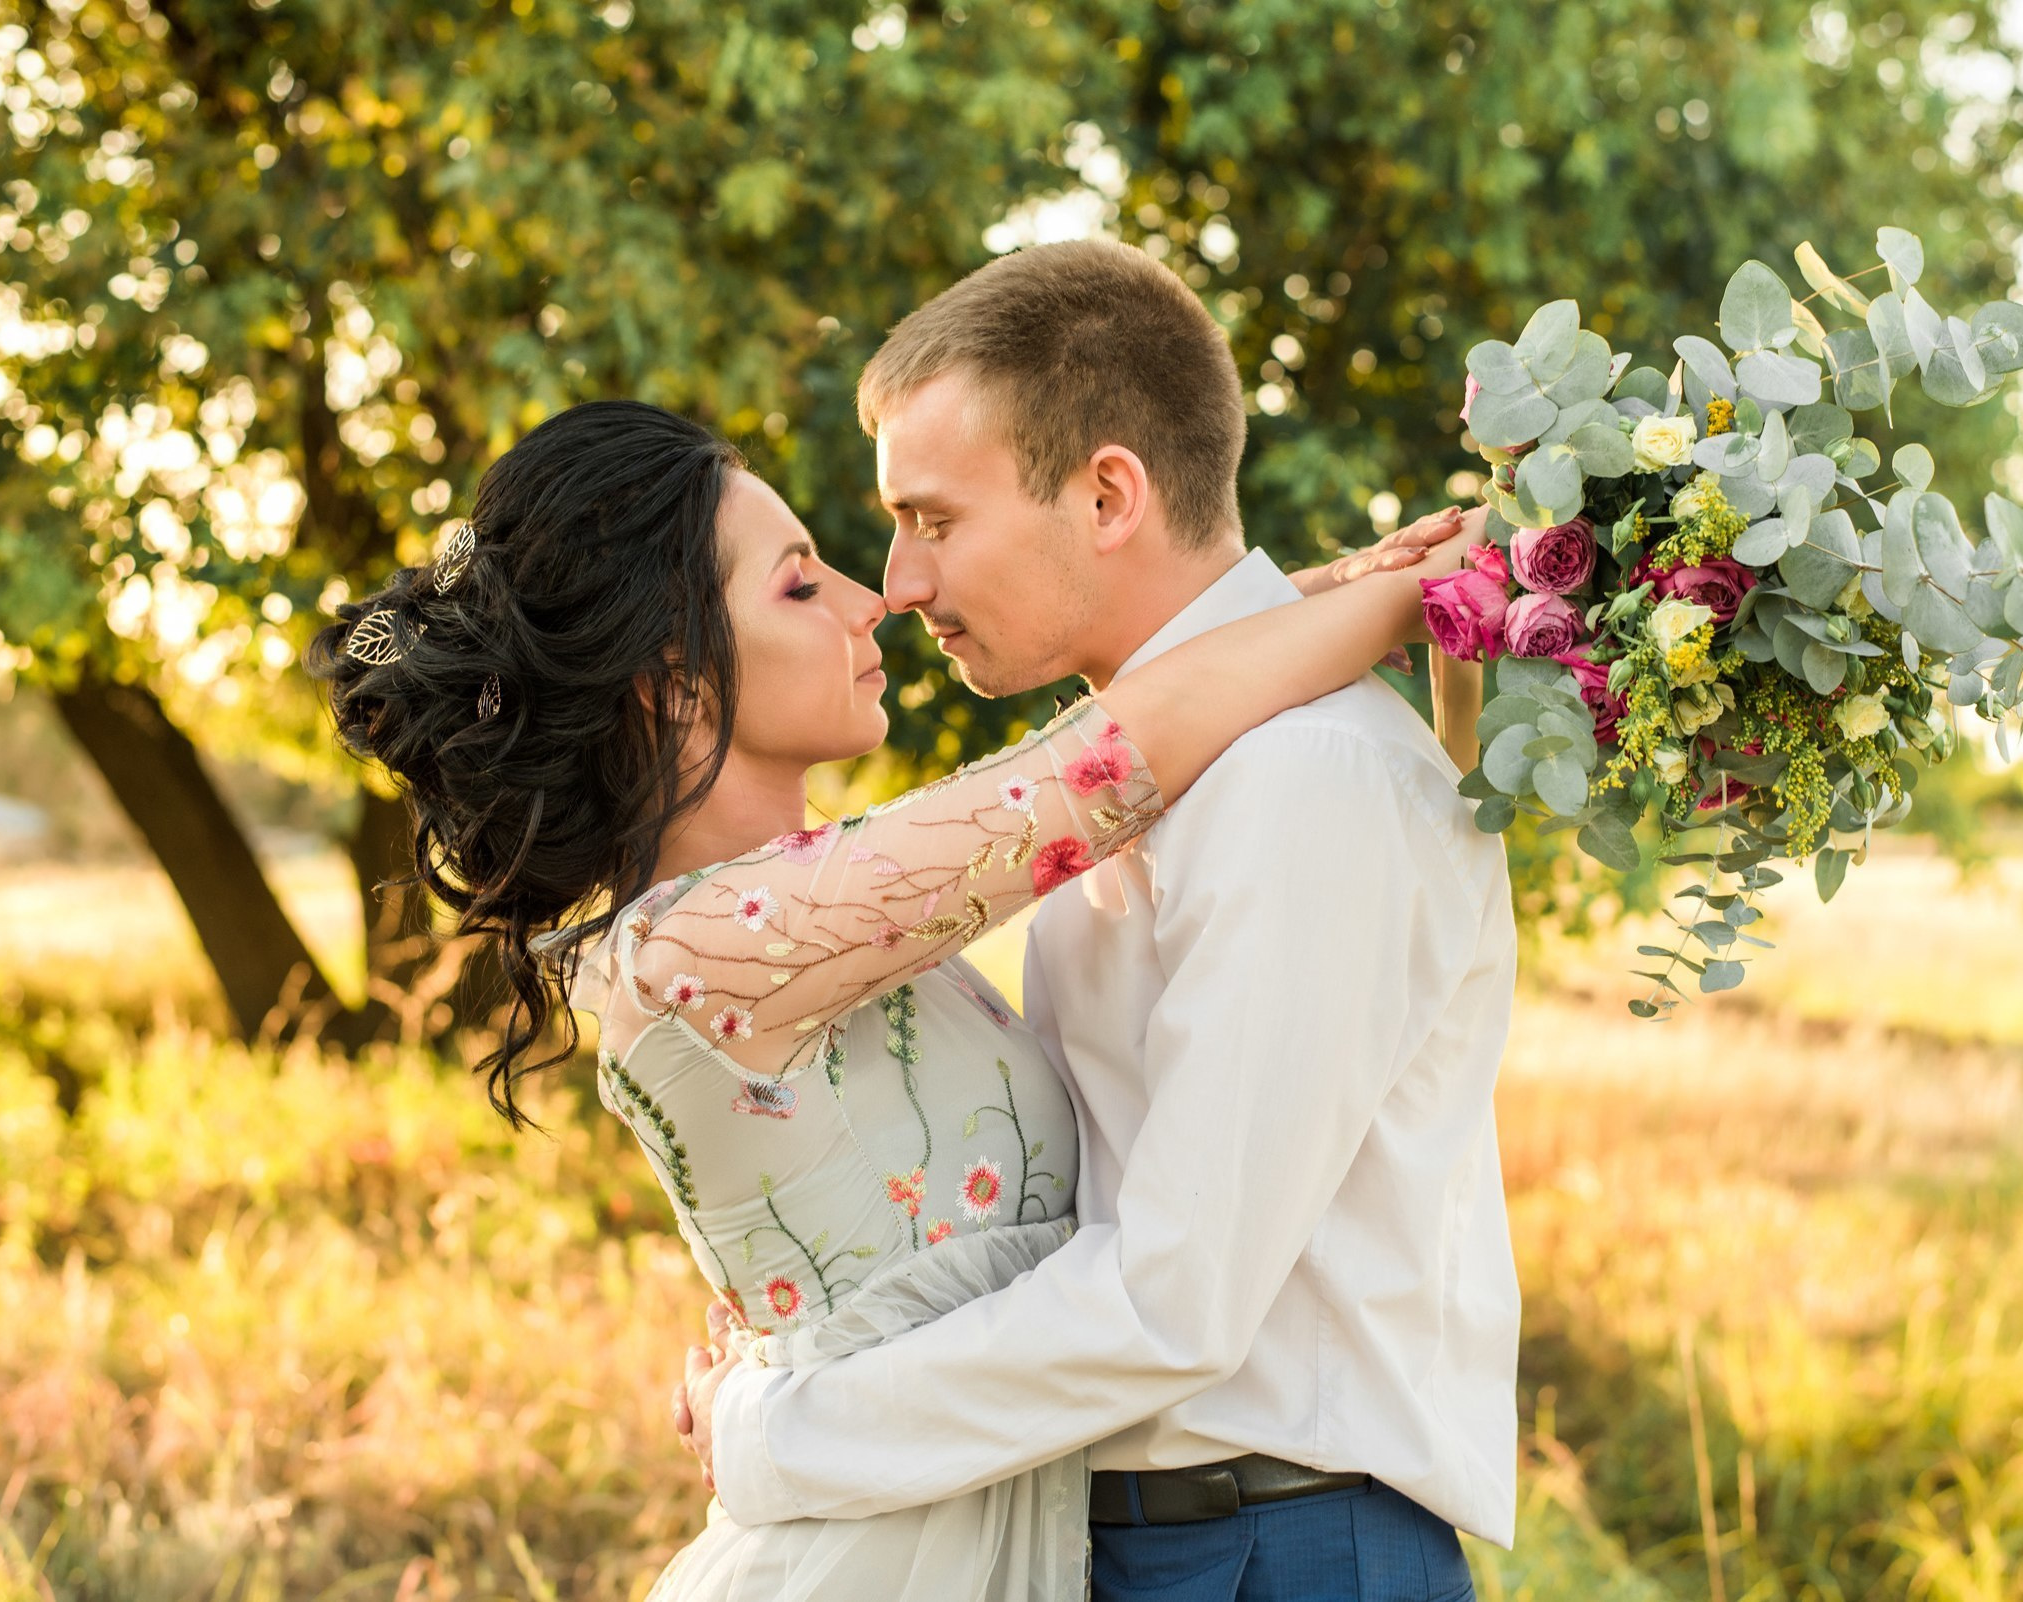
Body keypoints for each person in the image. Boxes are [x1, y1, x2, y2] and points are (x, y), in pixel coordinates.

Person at [303, 391, 1475, 1600]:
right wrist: (1395, 598)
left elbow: (1123, 726)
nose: (874, 601)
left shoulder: (826, 904)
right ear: (674, 681)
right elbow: (1102, 762)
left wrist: (1332, 590)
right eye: (800, 585)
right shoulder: (711, 944)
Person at [679, 240, 1521, 1602]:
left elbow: (1171, 1300)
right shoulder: (1139, 779)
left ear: (1108, 492)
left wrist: (782, 1434)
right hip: (1136, 1535)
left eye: (935, 521)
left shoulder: (1308, 778)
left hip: (1277, 1547)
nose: (901, 583)